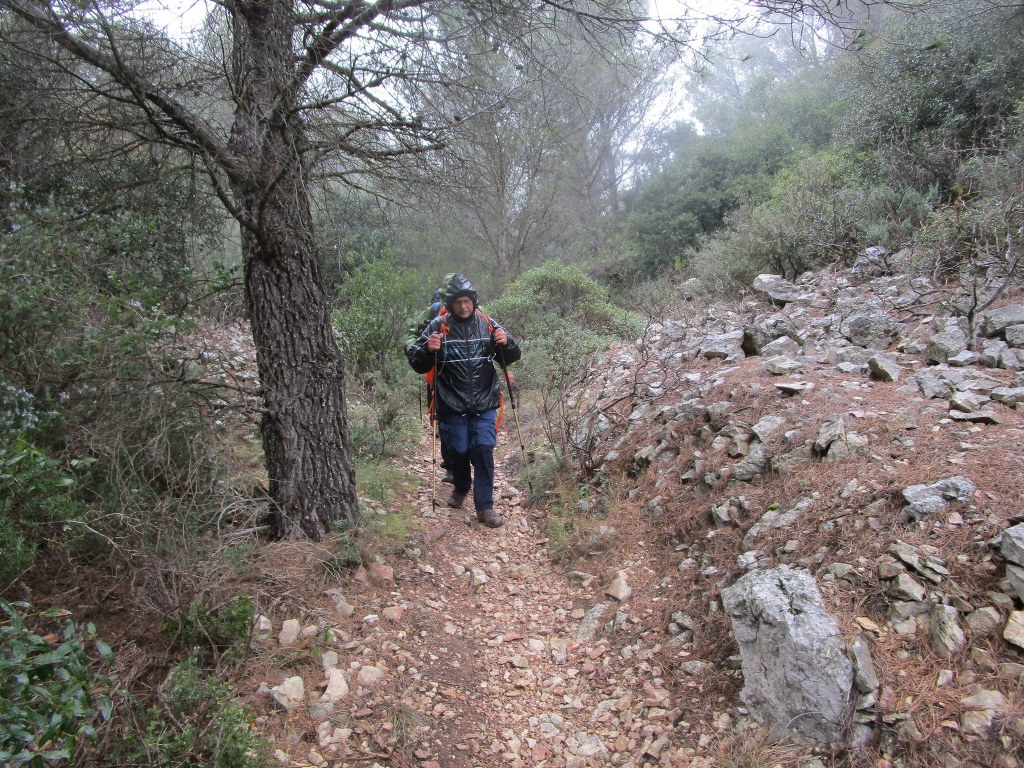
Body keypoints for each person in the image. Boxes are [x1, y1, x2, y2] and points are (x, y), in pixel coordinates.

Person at [406, 273, 521, 528]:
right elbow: (416, 360)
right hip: (451, 401)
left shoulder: (487, 323)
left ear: (474, 301)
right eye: (458, 301)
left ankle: (485, 507)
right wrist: (428, 349)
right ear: (451, 302)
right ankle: (461, 485)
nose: (463, 306)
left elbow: (509, 356)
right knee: (457, 450)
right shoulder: (438, 325)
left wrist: (507, 342)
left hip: (484, 400)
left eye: (467, 300)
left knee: (482, 449)